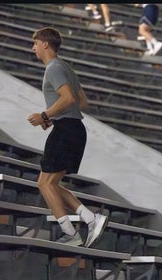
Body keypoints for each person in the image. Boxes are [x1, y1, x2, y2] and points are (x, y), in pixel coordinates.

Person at [27, 27, 108, 248]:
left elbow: (70, 98)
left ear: (45, 44)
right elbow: (81, 102)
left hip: (66, 130)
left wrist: (45, 115)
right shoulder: (65, 67)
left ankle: (73, 231)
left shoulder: (53, 67)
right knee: (50, 183)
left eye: (35, 43)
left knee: (45, 183)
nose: (33, 48)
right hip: (72, 128)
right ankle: (89, 220)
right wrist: (54, 118)